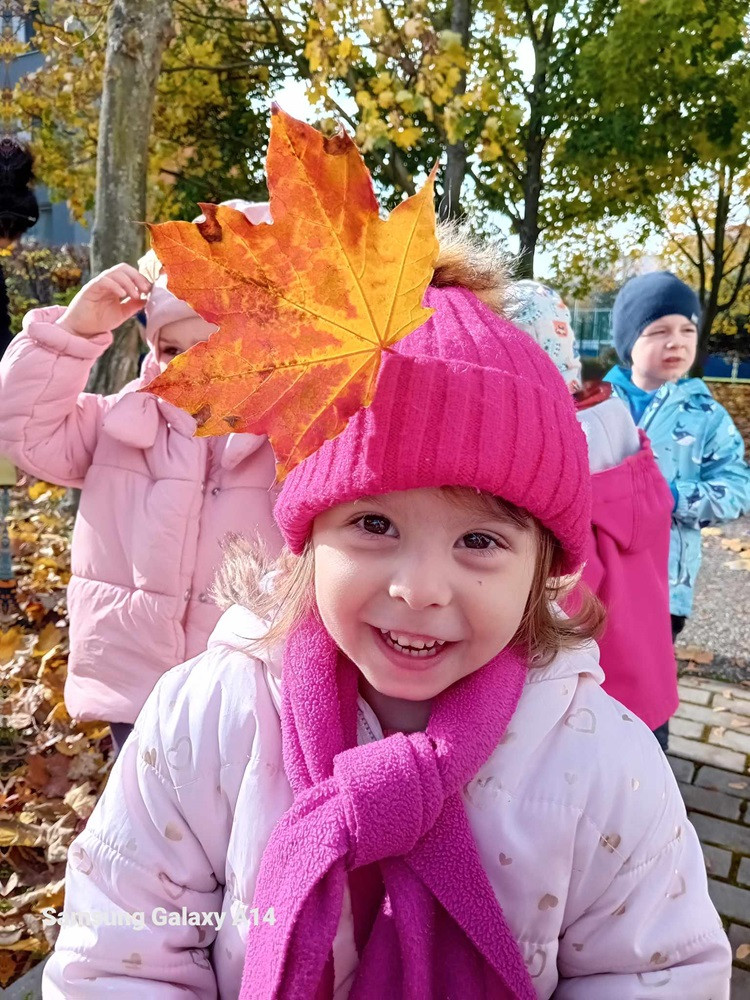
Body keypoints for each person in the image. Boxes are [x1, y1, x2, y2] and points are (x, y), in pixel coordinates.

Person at [41, 228, 730, 998]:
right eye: (374, 524)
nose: (420, 588)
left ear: (543, 568)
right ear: (306, 537)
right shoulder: (212, 718)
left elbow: (651, 972)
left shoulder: (601, 762)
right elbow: (123, 945)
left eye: (479, 541)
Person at [0, 201, 281, 753]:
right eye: (173, 349)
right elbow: (21, 429)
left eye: (214, 349)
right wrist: (73, 331)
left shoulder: (290, 439)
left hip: (252, 691)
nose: (189, 369)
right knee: (143, 802)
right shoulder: (126, 418)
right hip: (134, 685)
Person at [511, 280, 678, 748]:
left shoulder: (549, 460)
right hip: (647, 682)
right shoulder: (622, 432)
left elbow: (557, 605)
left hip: (590, 706)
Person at [604, 271, 750, 644]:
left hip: (665, 586)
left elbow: (737, 489)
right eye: (659, 331)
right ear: (629, 340)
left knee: (645, 675)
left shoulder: (706, 415)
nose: (676, 342)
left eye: (687, 330)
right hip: (594, 576)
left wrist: (672, 496)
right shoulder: (595, 406)